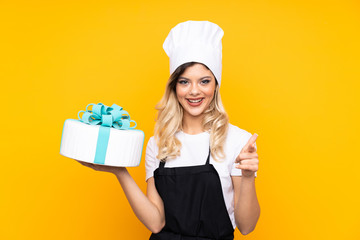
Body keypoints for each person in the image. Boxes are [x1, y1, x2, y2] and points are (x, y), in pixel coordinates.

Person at [78, 20, 260, 239]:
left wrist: (248, 177)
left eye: (204, 81)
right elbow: (156, 223)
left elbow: (247, 226)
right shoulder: (158, 143)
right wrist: (120, 172)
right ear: (175, 87)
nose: (194, 91)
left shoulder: (238, 141)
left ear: (215, 85)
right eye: (184, 82)